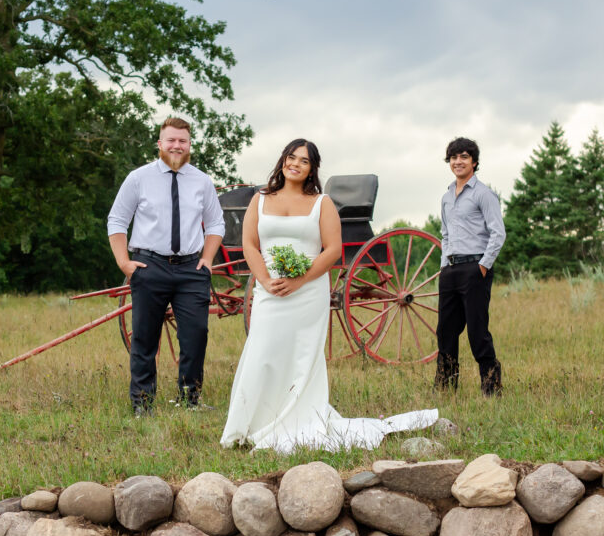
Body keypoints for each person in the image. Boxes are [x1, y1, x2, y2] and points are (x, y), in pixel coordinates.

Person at [221, 140, 437, 453]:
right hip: (269, 291)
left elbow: (333, 250)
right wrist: (266, 281)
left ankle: (296, 420)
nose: (295, 164)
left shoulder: (321, 203)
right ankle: (252, 422)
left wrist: (299, 280)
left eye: (303, 161)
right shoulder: (260, 200)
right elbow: (250, 245)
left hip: (308, 291)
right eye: (291, 157)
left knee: (301, 354)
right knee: (263, 351)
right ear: (283, 160)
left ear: (312, 169)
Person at [107, 117, 224, 416]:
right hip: (149, 265)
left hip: (190, 269)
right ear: (159, 143)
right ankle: (142, 404)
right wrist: (124, 262)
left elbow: (215, 223)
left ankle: (190, 399)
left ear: (189, 145)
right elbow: (117, 220)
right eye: (170, 140)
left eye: (182, 141)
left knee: (196, 335)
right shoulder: (138, 178)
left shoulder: (202, 181)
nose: (176, 145)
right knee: (145, 338)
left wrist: (207, 261)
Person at [435, 137, 506, 396]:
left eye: (464, 157)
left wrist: (483, 266)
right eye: (454, 157)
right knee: (445, 331)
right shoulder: (446, 197)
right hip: (450, 270)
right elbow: (445, 234)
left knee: (477, 331)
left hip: (475, 269)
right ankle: (446, 387)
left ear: (474, 162)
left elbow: (498, 233)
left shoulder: (483, 194)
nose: (458, 161)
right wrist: (444, 266)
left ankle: (491, 387)